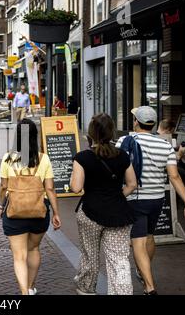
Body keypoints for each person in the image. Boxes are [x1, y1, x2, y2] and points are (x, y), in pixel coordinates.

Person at [116, 106, 185, 295]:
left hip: (135, 198)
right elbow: (174, 177)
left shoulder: (124, 140)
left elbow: (116, 165)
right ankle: (143, 272)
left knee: (138, 241)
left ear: (137, 122)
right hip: (157, 199)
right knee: (150, 236)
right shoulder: (165, 145)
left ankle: (149, 287)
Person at [70, 113, 137, 295]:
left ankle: (87, 288)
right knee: (120, 259)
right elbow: (132, 184)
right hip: (119, 213)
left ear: (91, 133)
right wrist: (115, 195)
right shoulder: (122, 156)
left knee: (90, 255)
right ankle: (123, 291)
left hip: (90, 213)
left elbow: (76, 188)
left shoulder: (82, 157)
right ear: (111, 132)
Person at [0, 118, 61, 295]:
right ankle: (31, 286)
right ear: (35, 136)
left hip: (14, 213)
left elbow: (3, 187)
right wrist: (56, 213)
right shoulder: (44, 159)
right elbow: (50, 188)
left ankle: (24, 293)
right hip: (39, 212)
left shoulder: (8, 159)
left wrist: (0, 205)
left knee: (19, 256)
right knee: (33, 249)